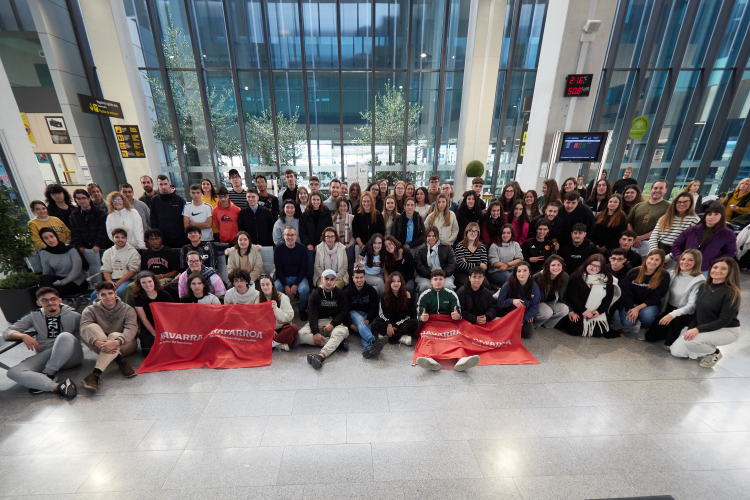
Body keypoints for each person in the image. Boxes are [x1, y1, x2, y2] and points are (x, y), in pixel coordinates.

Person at [2, 287, 81, 398]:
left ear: (59, 300)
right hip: (46, 355)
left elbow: (87, 333)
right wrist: (23, 335)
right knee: (13, 372)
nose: (50, 302)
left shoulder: (74, 315)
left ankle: (48, 373)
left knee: (65, 336)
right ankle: (58, 387)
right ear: (39, 303)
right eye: (45, 300)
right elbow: (7, 332)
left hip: (71, 356)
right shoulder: (33, 315)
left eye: (53, 299)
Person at [670, 257, 740, 368]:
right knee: (676, 352)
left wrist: (697, 330)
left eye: (723, 269)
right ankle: (704, 345)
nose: (717, 271)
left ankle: (714, 352)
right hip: (706, 327)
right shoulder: (704, 287)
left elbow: (724, 320)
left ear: (730, 272)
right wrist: (691, 329)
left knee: (690, 342)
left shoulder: (731, 292)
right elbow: (697, 313)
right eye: (715, 267)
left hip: (726, 330)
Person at [81, 281, 138, 391]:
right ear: (98, 296)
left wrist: (116, 342)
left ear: (115, 294)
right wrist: (97, 343)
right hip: (100, 346)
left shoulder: (128, 309)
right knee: (90, 327)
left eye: (110, 293)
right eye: (103, 294)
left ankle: (95, 374)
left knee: (115, 335)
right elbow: (83, 329)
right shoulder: (90, 310)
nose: (108, 297)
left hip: (125, 344)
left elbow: (131, 329)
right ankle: (120, 361)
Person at [644, 249, 704, 346]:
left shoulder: (699, 281)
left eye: (690, 260)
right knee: (650, 337)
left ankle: (679, 333)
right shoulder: (672, 274)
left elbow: (691, 306)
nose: (685, 262)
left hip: (684, 314)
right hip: (669, 309)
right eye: (683, 259)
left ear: (697, 262)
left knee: (669, 344)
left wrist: (672, 315)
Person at [415, 270, 472, 371]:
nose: (438, 281)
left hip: (448, 322)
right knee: (427, 338)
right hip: (430, 323)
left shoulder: (451, 294)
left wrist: (457, 316)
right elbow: (419, 313)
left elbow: (458, 313)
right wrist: (421, 317)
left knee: (456, 337)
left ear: (444, 281)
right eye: (435, 279)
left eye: (440, 279)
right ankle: (429, 359)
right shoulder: (424, 295)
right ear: (431, 281)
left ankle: (461, 360)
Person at [557, 254, 619, 337]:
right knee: (575, 330)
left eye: (598, 266)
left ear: (602, 268)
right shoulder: (576, 276)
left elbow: (608, 298)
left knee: (599, 332)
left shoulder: (607, 279)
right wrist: (583, 310)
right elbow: (572, 297)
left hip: (596, 312)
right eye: (592, 265)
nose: (594, 268)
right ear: (587, 264)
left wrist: (599, 311)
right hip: (577, 310)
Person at [300, 269, 350, 369]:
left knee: (341, 332)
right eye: (326, 279)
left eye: (331, 279)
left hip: (336, 323)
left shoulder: (340, 294)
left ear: (335, 281)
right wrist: (315, 332)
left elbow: (343, 312)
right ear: (321, 279)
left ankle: (321, 355)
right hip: (319, 322)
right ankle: (337, 344)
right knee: (301, 335)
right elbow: (312, 313)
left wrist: (333, 324)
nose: (328, 282)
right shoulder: (314, 295)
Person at [616, 249, 670, 339]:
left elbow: (658, 296)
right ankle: (628, 322)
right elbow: (626, 292)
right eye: (651, 258)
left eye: (657, 260)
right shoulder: (634, 272)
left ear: (661, 262)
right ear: (646, 258)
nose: (653, 262)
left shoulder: (664, 275)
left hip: (649, 305)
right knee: (627, 322)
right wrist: (631, 308)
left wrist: (637, 308)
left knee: (647, 316)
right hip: (631, 303)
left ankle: (644, 328)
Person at [671, 202, 737, 272]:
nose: (711, 217)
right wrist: (680, 258)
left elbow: (730, 252)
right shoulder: (692, 229)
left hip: (706, 269)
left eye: (716, 214)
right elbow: (676, 245)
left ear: (722, 216)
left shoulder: (728, 234)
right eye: (709, 214)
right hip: (684, 266)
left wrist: (713, 263)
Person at [648, 192, 700, 265]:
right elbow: (654, 236)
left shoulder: (695, 220)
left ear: (691, 203)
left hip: (675, 256)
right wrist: (655, 254)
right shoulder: (665, 217)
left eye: (685, 202)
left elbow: (688, 245)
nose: (682, 204)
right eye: (679, 202)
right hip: (657, 251)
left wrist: (666, 259)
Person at [90, 228, 140, 303]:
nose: (120, 240)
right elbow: (106, 270)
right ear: (112, 238)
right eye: (117, 237)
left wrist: (118, 283)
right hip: (112, 280)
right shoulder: (108, 252)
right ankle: (94, 314)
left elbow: (133, 271)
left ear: (126, 239)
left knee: (118, 293)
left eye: (123, 237)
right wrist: (109, 281)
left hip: (128, 280)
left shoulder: (133, 252)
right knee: (95, 295)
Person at [70, 188, 110, 279]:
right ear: (75, 200)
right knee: (90, 270)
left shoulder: (100, 213)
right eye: (78, 198)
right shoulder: (74, 214)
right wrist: (79, 245)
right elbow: (74, 231)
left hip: (100, 247)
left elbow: (103, 230)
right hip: (84, 247)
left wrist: (98, 244)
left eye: (84, 198)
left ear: (89, 199)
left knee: (104, 269)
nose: (82, 200)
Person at [345, 269, 386, 358]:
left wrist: (368, 319)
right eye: (357, 278)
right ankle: (373, 340)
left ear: (365, 277)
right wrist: (350, 324)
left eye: (361, 277)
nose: (359, 280)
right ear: (353, 278)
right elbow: (345, 310)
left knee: (367, 329)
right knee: (360, 321)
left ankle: (368, 349)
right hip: (353, 313)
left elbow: (374, 308)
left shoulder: (371, 291)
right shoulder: (347, 291)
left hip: (367, 315)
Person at [371, 271, 419, 347]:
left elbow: (408, 314)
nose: (396, 284)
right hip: (388, 322)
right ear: (389, 283)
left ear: (401, 283)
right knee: (376, 322)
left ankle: (386, 336)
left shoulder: (407, 294)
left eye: (398, 281)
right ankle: (401, 338)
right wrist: (389, 325)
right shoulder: (384, 295)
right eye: (393, 281)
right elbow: (382, 313)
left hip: (401, 323)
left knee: (413, 323)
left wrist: (395, 326)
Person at [133, 271, 173, 356]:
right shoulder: (138, 298)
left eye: (149, 281)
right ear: (140, 284)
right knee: (149, 352)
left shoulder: (165, 294)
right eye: (143, 282)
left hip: (165, 327)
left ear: (154, 281)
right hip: (149, 328)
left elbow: (173, 313)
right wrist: (155, 335)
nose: (147, 285)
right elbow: (143, 319)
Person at [496, 261, 539, 338]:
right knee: (519, 304)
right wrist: (512, 301)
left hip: (523, 314)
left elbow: (535, 306)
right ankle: (505, 323)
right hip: (508, 311)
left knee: (528, 334)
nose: (522, 274)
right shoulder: (507, 285)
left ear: (529, 272)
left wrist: (525, 318)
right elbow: (499, 303)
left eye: (525, 270)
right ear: (515, 273)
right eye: (519, 271)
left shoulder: (534, 287)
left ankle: (510, 326)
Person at [38, 228, 88, 295]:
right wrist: (46, 283)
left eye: (51, 236)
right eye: (46, 238)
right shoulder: (44, 252)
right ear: (43, 240)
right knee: (43, 279)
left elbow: (77, 271)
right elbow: (47, 273)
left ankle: (49, 300)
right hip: (59, 278)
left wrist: (61, 282)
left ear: (56, 236)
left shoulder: (71, 249)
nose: (50, 240)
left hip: (77, 281)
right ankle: (48, 300)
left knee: (54, 292)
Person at [274, 226, 310, 320]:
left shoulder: (302, 249)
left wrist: (296, 284)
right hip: (283, 277)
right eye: (287, 235)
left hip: (299, 277)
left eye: (292, 235)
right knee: (275, 289)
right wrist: (285, 285)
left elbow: (303, 268)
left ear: (296, 236)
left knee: (304, 290)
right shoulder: (278, 249)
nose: (290, 237)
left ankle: (302, 309)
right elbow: (279, 269)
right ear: (283, 235)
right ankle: (277, 311)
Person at [627, 179, 670, 257]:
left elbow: (663, 228)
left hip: (651, 245)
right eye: (655, 188)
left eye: (661, 188)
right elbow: (629, 222)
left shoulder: (669, 208)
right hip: (632, 242)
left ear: (666, 190)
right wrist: (634, 237)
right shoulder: (638, 205)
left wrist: (640, 238)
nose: (657, 190)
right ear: (651, 190)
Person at [255, 274, 298, 351]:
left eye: (267, 284)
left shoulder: (282, 297)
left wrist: (276, 310)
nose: (265, 287)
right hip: (267, 330)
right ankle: (280, 343)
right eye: (262, 285)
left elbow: (289, 316)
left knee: (293, 328)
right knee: (251, 330)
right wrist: (269, 330)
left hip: (280, 329)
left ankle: (272, 343)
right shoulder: (258, 298)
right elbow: (257, 319)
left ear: (272, 285)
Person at [415, 227, 457, 292]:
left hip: (445, 275)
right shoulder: (420, 251)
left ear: (437, 237)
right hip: (426, 276)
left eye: (434, 236)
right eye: (429, 236)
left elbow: (452, 263)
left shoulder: (447, 248)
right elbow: (419, 266)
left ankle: (446, 302)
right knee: (426, 286)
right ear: (426, 237)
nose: (431, 238)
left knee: (448, 286)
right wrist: (431, 275)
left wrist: (442, 275)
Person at [150, 175, 187, 248]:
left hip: (180, 237)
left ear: (169, 184)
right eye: (161, 184)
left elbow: (185, 218)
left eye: (165, 184)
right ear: (157, 185)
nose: (163, 187)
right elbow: (153, 219)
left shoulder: (179, 200)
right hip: (163, 238)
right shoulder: (154, 200)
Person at [533, 255, 569, 329]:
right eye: (553, 265)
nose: (556, 267)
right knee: (547, 312)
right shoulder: (537, 277)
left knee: (565, 309)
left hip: (553, 302)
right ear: (548, 266)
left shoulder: (565, 276)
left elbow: (565, 295)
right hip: (539, 303)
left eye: (559, 265)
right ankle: (535, 325)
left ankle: (547, 325)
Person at [453, 222, 488, 289]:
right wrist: (478, 265)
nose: (473, 233)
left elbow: (484, 266)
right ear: (466, 232)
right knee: (469, 284)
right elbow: (461, 265)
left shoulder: (482, 247)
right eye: (471, 231)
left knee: (485, 285)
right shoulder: (460, 246)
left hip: (478, 274)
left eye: (475, 231)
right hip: (463, 274)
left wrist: (467, 263)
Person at [332, 198, 356, 276]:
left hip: (349, 244)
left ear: (347, 207)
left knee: (349, 255)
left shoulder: (352, 218)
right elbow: (332, 235)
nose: (342, 208)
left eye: (344, 206)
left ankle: (350, 279)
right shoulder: (333, 219)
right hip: (337, 244)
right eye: (340, 206)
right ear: (337, 207)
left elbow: (354, 235)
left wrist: (349, 244)